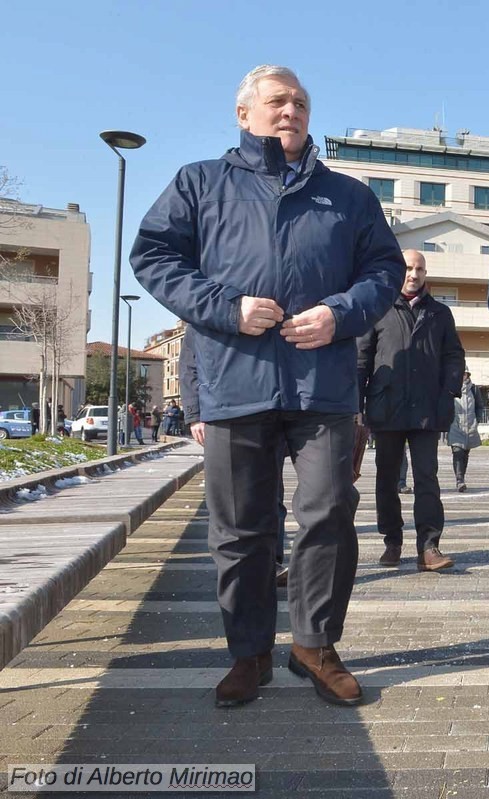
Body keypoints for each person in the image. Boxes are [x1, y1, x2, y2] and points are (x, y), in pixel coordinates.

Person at [131, 64, 404, 708]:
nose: (291, 111)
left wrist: (341, 313)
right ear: (243, 113)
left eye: (301, 102)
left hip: (324, 388)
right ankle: (248, 653)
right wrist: (227, 308)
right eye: (277, 101)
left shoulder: (349, 196)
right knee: (240, 530)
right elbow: (153, 256)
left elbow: (385, 270)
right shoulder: (201, 183)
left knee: (329, 515)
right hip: (234, 382)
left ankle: (314, 645)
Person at [358, 248, 463, 573]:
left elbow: (454, 356)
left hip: (426, 410)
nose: (413, 274)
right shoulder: (378, 309)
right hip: (386, 407)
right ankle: (392, 540)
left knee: (426, 478)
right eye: (407, 268)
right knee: (387, 479)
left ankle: (429, 546)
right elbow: (362, 358)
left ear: (425, 273)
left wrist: (448, 392)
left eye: (419, 268)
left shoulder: (440, 313)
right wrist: (356, 404)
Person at [181, 327, 291, 588]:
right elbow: (188, 366)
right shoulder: (204, 313)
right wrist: (194, 415)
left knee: (273, 494)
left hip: (270, 411)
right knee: (231, 501)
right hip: (224, 414)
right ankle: (240, 569)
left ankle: (272, 562)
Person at [448, 370, 485, 491]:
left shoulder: (474, 389)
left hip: (470, 425)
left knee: (465, 454)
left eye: (465, 374)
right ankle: (459, 480)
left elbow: (479, 406)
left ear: (468, 375)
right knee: (457, 452)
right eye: (461, 373)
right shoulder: (451, 387)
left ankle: (462, 476)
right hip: (455, 426)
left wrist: (477, 419)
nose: (462, 376)